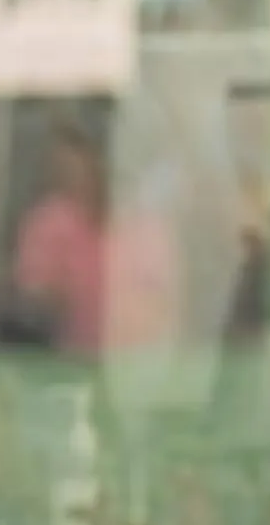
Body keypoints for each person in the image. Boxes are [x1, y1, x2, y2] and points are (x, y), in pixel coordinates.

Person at [13, 124, 174, 354]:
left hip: (142, 365)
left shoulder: (149, 226)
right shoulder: (48, 224)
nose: (83, 175)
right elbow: (34, 309)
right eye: (66, 168)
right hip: (72, 365)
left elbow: (171, 310)